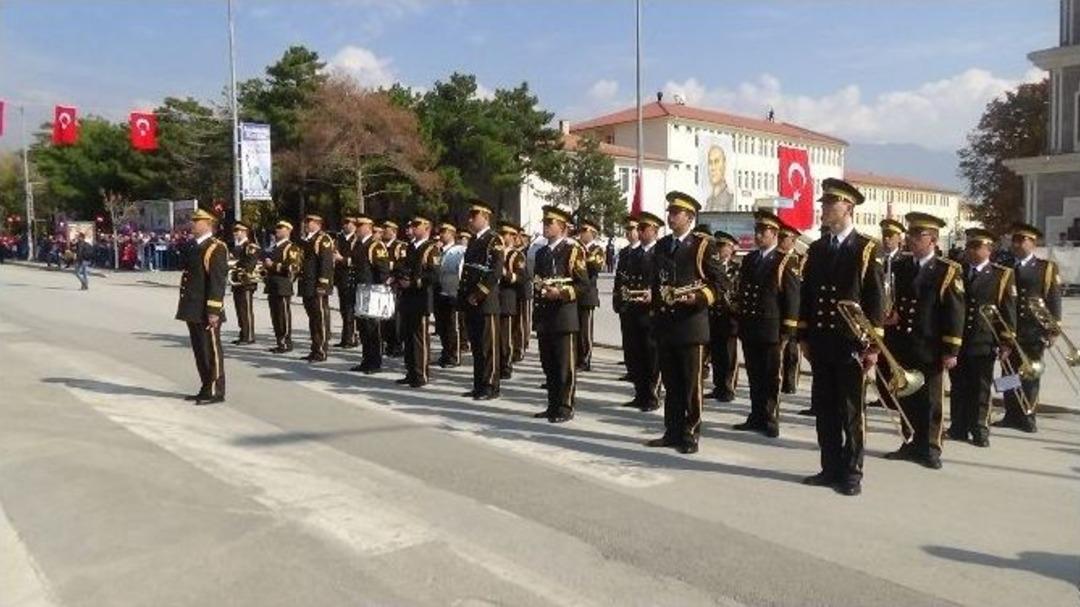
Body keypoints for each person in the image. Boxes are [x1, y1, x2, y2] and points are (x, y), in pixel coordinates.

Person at [798, 178, 884, 496]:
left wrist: (873, 346)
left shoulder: (865, 249)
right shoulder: (818, 248)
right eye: (823, 203)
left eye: (829, 204)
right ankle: (829, 466)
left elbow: (876, 301)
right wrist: (803, 336)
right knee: (825, 409)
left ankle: (852, 471)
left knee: (851, 411)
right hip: (822, 342)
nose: (823, 208)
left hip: (851, 343)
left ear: (847, 207)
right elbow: (807, 296)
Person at [882, 212, 964, 470]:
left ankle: (930, 446)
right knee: (907, 395)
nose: (912, 239)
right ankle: (910, 441)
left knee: (930, 400)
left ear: (933, 239)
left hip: (930, 345)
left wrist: (951, 348)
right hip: (904, 343)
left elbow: (954, 311)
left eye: (919, 235)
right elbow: (895, 300)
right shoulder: (902, 267)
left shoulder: (947, 271)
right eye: (911, 234)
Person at [645, 191, 724, 455]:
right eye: (669, 212)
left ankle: (690, 432)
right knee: (672, 383)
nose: (671, 216)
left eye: (676, 213)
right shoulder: (663, 245)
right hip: (667, 325)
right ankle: (672, 430)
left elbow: (720, 284)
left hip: (691, 325)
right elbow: (657, 284)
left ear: (689, 217)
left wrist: (698, 297)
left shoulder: (703, 246)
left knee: (691, 384)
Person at [732, 210, 800, 438]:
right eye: (757, 231)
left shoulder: (784, 261)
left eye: (763, 232)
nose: (758, 236)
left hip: (772, 328)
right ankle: (755, 415)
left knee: (771, 376)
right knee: (754, 374)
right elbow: (743, 292)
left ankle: (770, 417)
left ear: (774, 234)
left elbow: (791, 298)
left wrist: (788, 331)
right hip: (751, 326)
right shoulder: (750, 259)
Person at [949, 228, 1016, 447]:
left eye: (976, 246)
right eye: (969, 246)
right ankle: (958, 426)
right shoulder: (957, 271)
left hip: (984, 340)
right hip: (960, 339)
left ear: (989, 249)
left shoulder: (1001, 275)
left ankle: (979, 428)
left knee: (981, 387)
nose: (970, 250)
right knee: (959, 385)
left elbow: (1008, 310)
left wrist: (1007, 341)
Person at [996, 222, 1062, 433]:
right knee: (1008, 373)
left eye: (1022, 240)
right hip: (1009, 329)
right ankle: (1010, 412)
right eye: (1015, 240)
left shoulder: (1045, 267)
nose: (1017, 244)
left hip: (1033, 330)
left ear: (1033, 243)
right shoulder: (1005, 265)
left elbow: (1053, 299)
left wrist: (1053, 329)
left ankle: (1028, 414)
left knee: (1030, 375)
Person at [532, 205, 589, 423]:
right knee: (549, 364)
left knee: (565, 365)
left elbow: (583, 285)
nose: (545, 227)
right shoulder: (542, 252)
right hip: (545, 315)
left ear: (562, 227)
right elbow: (538, 281)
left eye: (550, 223)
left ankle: (565, 406)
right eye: (545, 223)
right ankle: (552, 404)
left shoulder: (572, 250)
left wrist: (561, 293)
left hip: (564, 316)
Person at [175, 209, 229, 405]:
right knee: (200, 352)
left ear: (208, 224)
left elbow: (217, 281)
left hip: (207, 309)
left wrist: (214, 310)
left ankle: (216, 390)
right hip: (193, 307)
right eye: (193, 221)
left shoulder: (216, 248)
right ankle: (205, 387)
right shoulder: (193, 246)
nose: (193, 224)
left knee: (211, 351)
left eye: (197, 221)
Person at [458, 201, 505, 400]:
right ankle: (479, 384)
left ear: (485, 217)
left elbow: (494, 272)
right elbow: (468, 271)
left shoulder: (494, 240)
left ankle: (491, 386)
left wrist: (478, 294)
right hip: (471, 301)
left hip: (486, 302)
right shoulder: (474, 240)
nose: (470, 219)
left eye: (474, 216)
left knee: (488, 348)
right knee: (477, 346)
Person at [619, 212, 662, 412]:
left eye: (644, 229)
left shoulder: (659, 253)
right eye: (639, 228)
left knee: (651, 354)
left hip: (651, 312)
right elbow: (624, 280)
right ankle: (640, 393)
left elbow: (666, 281)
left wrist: (654, 294)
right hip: (633, 310)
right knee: (635, 353)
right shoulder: (632, 253)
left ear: (654, 231)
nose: (640, 232)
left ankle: (652, 395)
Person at [394, 215, 441, 388]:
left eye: (416, 225)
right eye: (412, 225)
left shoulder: (431, 249)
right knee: (407, 336)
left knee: (419, 337)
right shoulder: (411, 247)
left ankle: (421, 373)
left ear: (426, 228)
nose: (412, 228)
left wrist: (413, 282)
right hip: (407, 297)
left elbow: (434, 274)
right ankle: (410, 371)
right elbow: (401, 266)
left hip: (421, 298)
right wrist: (398, 277)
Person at [349, 215, 391, 374]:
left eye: (360, 226)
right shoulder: (359, 244)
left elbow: (383, 269)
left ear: (368, 227)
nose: (357, 228)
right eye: (356, 225)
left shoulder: (375, 246)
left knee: (373, 328)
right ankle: (366, 360)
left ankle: (375, 361)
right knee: (363, 327)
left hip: (372, 291)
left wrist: (381, 290)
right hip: (360, 289)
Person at [298, 215, 336, 363]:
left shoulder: (323, 239)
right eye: (305, 221)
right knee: (313, 319)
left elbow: (326, 263)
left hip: (317, 285)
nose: (306, 224)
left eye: (309, 222)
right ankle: (315, 348)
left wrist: (323, 284)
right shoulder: (308, 239)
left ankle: (321, 350)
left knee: (320, 318)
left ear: (318, 224)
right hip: (307, 284)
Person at [708, 230, 740, 402]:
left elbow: (739, 292)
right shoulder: (711, 267)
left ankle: (729, 388)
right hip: (714, 316)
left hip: (730, 318)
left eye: (723, 246)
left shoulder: (736, 268)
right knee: (717, 354)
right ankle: (718, 386)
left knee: (729, 356)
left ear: (731, 248)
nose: (719, 250)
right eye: (717, 246)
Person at [264, 220, 300, 354]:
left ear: (288, 231)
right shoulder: (274, 247)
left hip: (283, 285)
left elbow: (293, 267)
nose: (277, 230)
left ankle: (285, 342)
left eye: (281, 228)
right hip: (272, 285)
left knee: (283, 316)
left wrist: (272, 265)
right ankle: (279, 341)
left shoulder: (290, 247)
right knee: (275, 317)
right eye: (277, 227)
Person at [777, 222, 804, 395]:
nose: (779, 240)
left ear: (793, 240)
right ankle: (782, 379)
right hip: (778, 311)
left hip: (796, 311)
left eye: (783, 237)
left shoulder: (800, 260)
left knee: (792, 351)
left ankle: (790, 382)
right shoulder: (777, 259)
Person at [575, 218, 605, 372]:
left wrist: (585, 253)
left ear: (592, 233)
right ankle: (576, 357)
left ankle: (585, 359)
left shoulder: (597, 249)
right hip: (575, 293)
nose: (580, 234)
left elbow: (596, 267)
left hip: (588, 294)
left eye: (584, 231)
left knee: (585, 330)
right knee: (575, 328)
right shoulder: (575, 247)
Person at [613, 218, 640, 383]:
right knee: (628, 337)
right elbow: (619, 277)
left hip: (639, 301)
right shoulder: (624, 252)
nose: (629, 233)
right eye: (627, 230)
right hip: (626, 302)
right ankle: (631, 368)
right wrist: (617, 297)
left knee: (640, 340)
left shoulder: (648, 252)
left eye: (633, 229)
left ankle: (638, 370)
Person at [497, 221, 526, 380]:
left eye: (505, 234)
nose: (502, 237)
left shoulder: (516, 255)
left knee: (505, 336)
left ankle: (506, 366)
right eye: (501, 234)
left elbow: (522, 277)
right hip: (494, 298)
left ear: (513, 237)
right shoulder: (495, 252)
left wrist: (506, 274)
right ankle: (496, 364)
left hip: (508, 298)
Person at [434, 223, 464, 368]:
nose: (441, 234)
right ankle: (445, 353)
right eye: (440, 232)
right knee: (442, 326)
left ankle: (454, 355)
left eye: (444, 232)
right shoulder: (438, 250)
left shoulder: (459, 251)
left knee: (452, 326)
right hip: (441, 291)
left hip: (453, 292)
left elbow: (460, 271)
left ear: (452, 233)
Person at [229, 221, 261, 345]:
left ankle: (249, 336)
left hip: (246, 282)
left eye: (238, 231)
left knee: (246, 310)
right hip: (237, 282)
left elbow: (249, 264)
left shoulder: (251, 246)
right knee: (239, 310)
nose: (235, 233)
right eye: (235, 231)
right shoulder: (236, 246)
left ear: (244, 232)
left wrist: (235, 266)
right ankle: (243, 334)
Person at [381, 220, 409, 358]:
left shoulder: (400, 246)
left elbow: (402, 266)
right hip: (383, 285)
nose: (384, 231)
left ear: (394, 231)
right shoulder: (380, 245)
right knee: (385, 316)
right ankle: (388, 343)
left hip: (395, 285)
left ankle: (397, 345)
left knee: (395, 317)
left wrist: (394, 276)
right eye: (384, 228)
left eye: (387, 229)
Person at [334, 217, 362, 349]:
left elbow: (358, 260)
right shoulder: (339, 238)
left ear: (354, 225)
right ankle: (345, 337)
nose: (345, 225)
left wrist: (342, 259)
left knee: (351, 309)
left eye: (348, 223)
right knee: (344, 309)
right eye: (344, 222)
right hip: (340, 277)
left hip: (352, 277)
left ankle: (352, 337)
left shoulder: (357, 239)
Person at [512, 229, 533, 363]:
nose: (517, 238)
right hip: (514, 291)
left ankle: (520, 347)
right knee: (515, 322)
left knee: (522, 321)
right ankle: (515, 346)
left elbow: (525, 274)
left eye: (520, 236)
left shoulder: (525, 253)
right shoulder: (513, 252)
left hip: (523, 291)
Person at [704, 145, 735, 212]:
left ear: (724, 164)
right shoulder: (709, 201)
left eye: (716, 161)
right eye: (710, 162)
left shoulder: (730, 199)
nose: (712, 168)